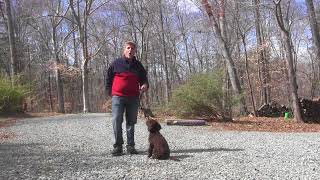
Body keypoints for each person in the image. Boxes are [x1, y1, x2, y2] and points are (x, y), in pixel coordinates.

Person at [106, 41, 149, 156]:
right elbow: (108, 79)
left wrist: (144, 85)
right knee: (116, 120)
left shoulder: (138, 65)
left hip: (133, 97)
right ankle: (118, 146)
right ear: (124, 50)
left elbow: (144, 79)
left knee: (131, 122)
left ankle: (131, 146)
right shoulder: (116, 63)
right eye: (128, 48)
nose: (130, 50)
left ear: (135, 51)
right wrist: (111, 93)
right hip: (118, 97)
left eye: (132, 48)